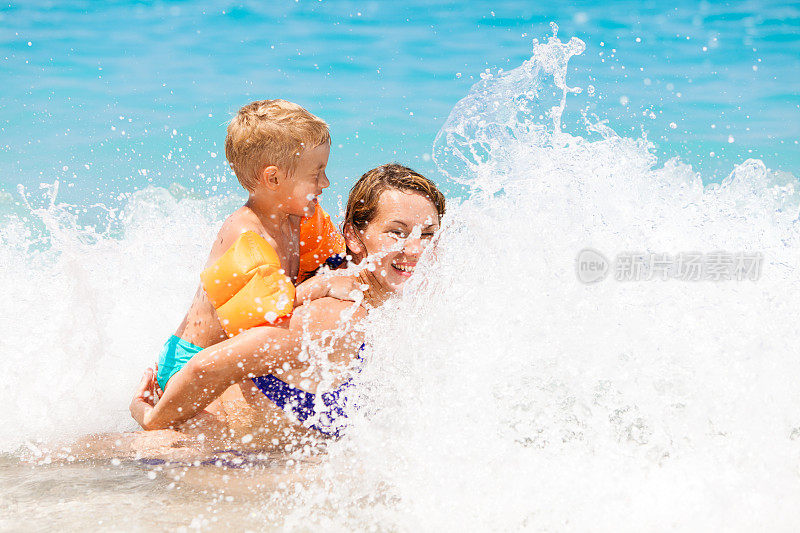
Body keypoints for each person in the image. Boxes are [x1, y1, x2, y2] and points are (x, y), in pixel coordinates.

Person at [130, 163, 446, 446]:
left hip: (241, 469)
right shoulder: (336, 316)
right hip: (181, 455)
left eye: (428, 234)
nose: (416, 249)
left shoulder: (384, 305)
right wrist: (151, 421)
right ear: (353, 236)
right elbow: (208, 366)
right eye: (397, 232)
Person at [154, 99, 351, 399]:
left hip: (232, 348)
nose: (326, 182)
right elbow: (268, 324)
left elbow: (341, 261)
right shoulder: (247, 236)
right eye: (316, 173)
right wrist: (322, 286)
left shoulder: (300, 215)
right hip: (190, 364)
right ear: (273, 178)